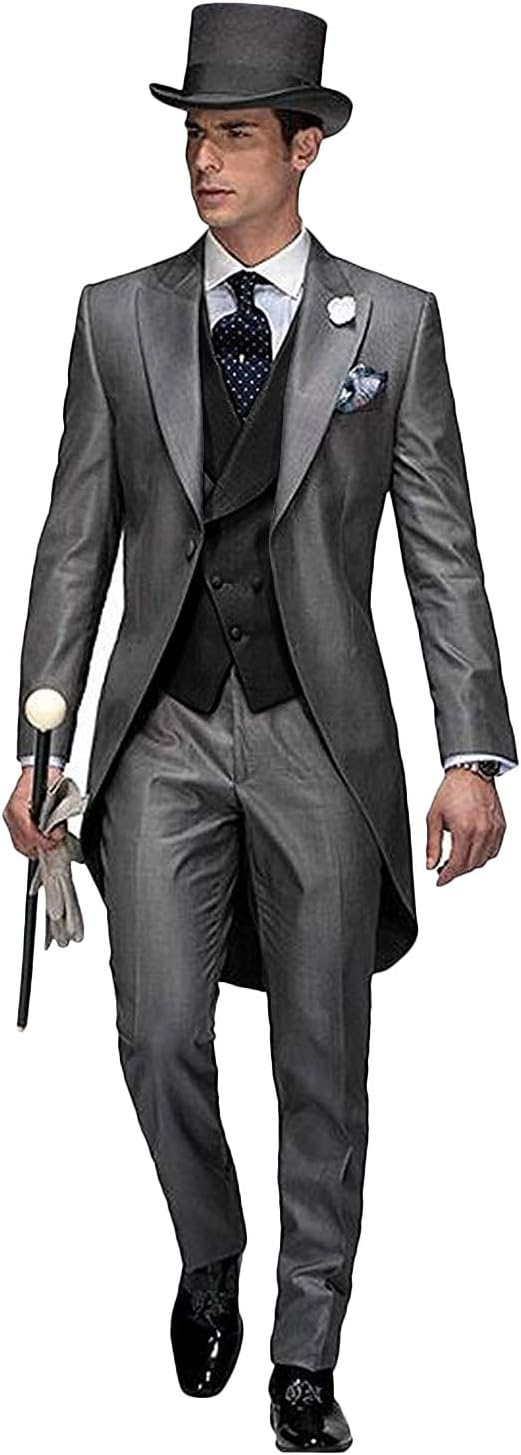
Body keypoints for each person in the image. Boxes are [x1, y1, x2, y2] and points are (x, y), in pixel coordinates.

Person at [4, 4, 517, 1449]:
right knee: (156, 1030)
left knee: (323, 1064)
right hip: (158, 735)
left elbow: (442, 549)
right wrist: (41, 753)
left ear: (305, 148)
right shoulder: (116, 315)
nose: (204, 161)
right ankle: (208, 1247)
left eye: (233, 134)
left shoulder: (391, 322)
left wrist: (471, 753)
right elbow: (72, 544)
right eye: (192, 135)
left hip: (321, 742)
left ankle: (306, 1351)